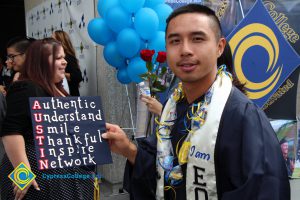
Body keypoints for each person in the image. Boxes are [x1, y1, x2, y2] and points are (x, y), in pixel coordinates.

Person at [102, 4, 290, 200]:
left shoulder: (243, 116)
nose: (185, 50)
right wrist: (127, 148)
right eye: (175, 41)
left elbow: (264, 190)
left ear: (219, 47)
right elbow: (164, 173)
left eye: (197, 39)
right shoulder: (172, 108)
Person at [0, 38, 94, 200]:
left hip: (62, 172)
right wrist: (23, 176)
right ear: (41, 62)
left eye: (64, 57)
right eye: (58, 58)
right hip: (35, 176)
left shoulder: (55, 88)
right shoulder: (26, 87)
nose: (65, 62)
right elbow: (11, 132)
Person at [52, 30, 83, 96]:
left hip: (71, 97)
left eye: (52, 39)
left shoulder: (69, 57)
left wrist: (60, 74)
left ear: (59, 41)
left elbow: (78, 77)